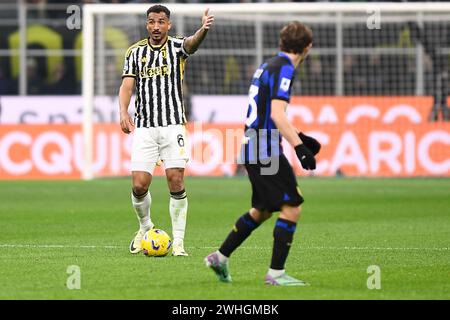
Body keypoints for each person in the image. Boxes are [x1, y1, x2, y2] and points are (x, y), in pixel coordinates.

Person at [205, 21, 321, 285]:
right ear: (308, 48)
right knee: (292, 206)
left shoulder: (267, 65)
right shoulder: (286, 69)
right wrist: (299, 148)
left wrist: (299, 136)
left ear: (281, 43)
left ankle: (220, 257)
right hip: (265, 147)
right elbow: (277, 114)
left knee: (262, 209)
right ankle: (276, 274)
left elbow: (271, 113)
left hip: (252, 144)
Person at [119, 5, 214, 256]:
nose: (156, 27)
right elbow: (127, 86)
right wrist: (123, 111)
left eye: (161, 22)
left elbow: (192, 44)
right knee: (139, 185)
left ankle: (179, 243)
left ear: (168, 24)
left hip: (173, 125)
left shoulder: (176, 46)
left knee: (176, 180)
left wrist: (202, 30)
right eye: (151, 22)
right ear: (146, 24)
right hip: (146, 128)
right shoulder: (135, 52)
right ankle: (145, 227)